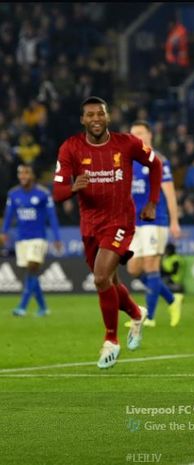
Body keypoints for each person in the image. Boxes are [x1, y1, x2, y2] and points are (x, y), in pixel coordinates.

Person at [52, 96, 163, 369]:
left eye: (100, 114)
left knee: (100, 277)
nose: (95, 119)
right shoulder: (70, 148)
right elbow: (56, 193)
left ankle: (111, 340)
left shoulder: (126, 144)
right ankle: (137, 314)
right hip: (90, 225)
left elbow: (155, 164)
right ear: (83, 120)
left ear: (107, 117)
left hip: (120, 221)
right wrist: (74, 187)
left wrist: (151, 202)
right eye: (90, 115)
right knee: (109, 282)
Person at [124, 120, 184, 328]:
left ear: (150, 136)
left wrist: (174, 221)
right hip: (134, 224)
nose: (136, 137)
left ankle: (148, 317)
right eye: (133, 134)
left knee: (151, 265)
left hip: (154, 221)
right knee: (133, 268)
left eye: (140, 133)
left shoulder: (158, 160)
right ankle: (172, 299)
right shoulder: (128, 160)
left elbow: (169, 194)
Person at [2, 164, 62, 317]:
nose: (23, 175)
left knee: (31, 268)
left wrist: (57, 237)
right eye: (20, 173)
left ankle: (22, 307)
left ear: (32, 175)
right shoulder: (13, 194)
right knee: (31, 274)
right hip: (22, 239)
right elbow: (9, 215)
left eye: (26, 173)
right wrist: (4, 232)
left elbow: (52, 216)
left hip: (38, 238)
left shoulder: (43, 193)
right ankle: (43, 308)